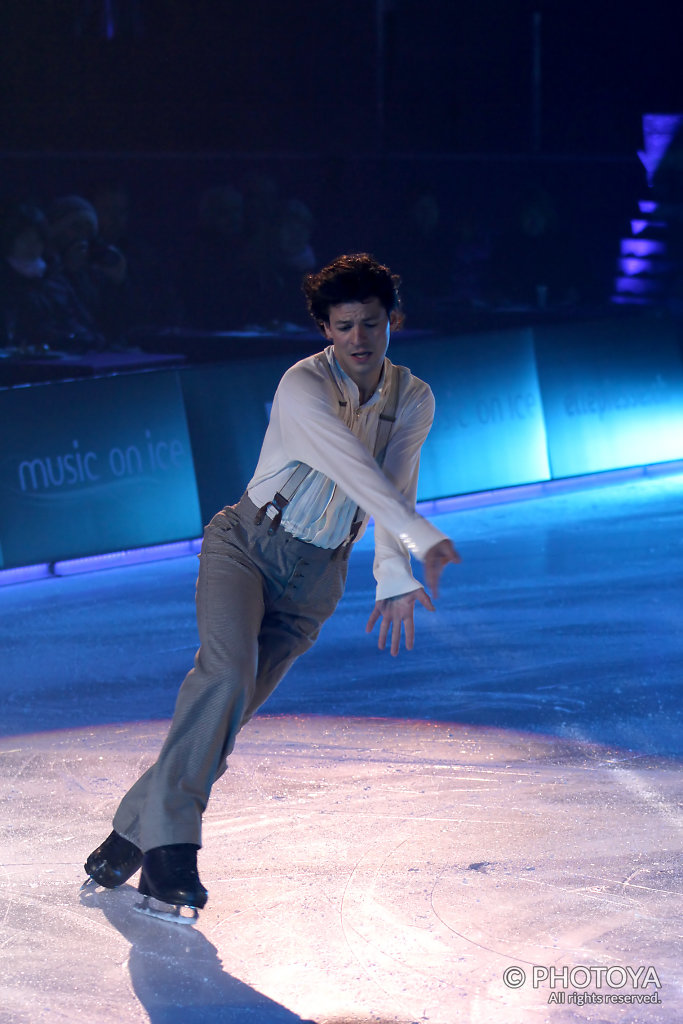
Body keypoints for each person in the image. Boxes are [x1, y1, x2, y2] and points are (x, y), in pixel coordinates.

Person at [84, 253, 460, 919]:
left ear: (390, 320)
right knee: (223, 680)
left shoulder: (413, 398)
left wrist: (394, 576)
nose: (357, 340)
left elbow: (394, 484)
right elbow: (352, 469)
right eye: (342, 326)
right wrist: (420, 535)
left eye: (370, 324)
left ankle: (128, 835)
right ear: (324, 327)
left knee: (223, 718)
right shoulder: (302, 385)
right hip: (247, 547)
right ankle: (171, 855)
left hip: (318, 576)